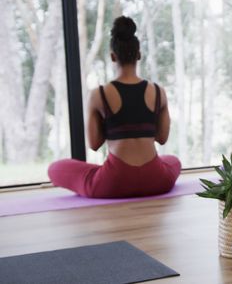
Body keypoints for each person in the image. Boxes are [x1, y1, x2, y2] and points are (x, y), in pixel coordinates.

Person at [48, 16, 181, 198]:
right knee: (173, 161)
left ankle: (104, 173)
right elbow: (162, 138)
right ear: (139, 55)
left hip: (114, 183)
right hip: (156, 180)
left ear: (112, 56)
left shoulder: (99, 95)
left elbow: (94, 144)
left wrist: (114, 124)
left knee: (55, 168)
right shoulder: (159, 92)